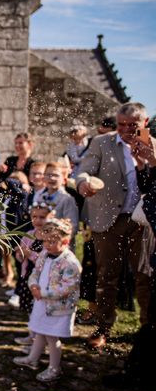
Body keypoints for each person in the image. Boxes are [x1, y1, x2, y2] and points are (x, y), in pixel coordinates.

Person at [77, 102, 155, 348]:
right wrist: (82, 184)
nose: (125, 130)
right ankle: (103, 327)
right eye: (121, 124)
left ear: (144, 123)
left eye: (132, 125)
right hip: (108, 217)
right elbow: (84, 171)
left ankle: (147, 330)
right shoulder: (102, 143)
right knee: (107, 275)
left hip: (143, 222)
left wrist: (151, 159)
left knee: (146, 276)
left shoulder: (153, 145)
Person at [13, 218, 82, 382]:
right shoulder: (45, 254)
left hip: (57, 307)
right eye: (45, 241)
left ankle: (54, 368)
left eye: (52, 242)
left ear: (65, 241)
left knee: (51, 338)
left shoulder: (70, 263)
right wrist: (33, 285)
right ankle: (33, 358)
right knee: (39, 332)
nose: (46, 245)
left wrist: (43, 292)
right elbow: (35, 273)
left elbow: (67, 288)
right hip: (41, 302)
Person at [13, 202, 54, 342]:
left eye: (42, 217)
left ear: (51, 217)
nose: (37, 220)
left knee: (39, 309)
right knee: (31, 309)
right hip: (28, 276)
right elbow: (20, 258)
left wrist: (29, 253)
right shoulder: (29, 234)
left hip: (42, 280)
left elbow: (45, 262)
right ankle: (32, 336)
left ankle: (39, 338)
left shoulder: (51, 239)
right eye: (34, 217)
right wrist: (20, 254)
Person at [36, 162, 79, 237]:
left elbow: (73, 226)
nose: (51, 178)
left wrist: (58, 237)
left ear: (64, 180)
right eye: (48, 175)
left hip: (58, 242)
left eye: (56, 175)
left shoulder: (67, 199)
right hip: (42, 242)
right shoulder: (40, 197)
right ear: (43, 178)